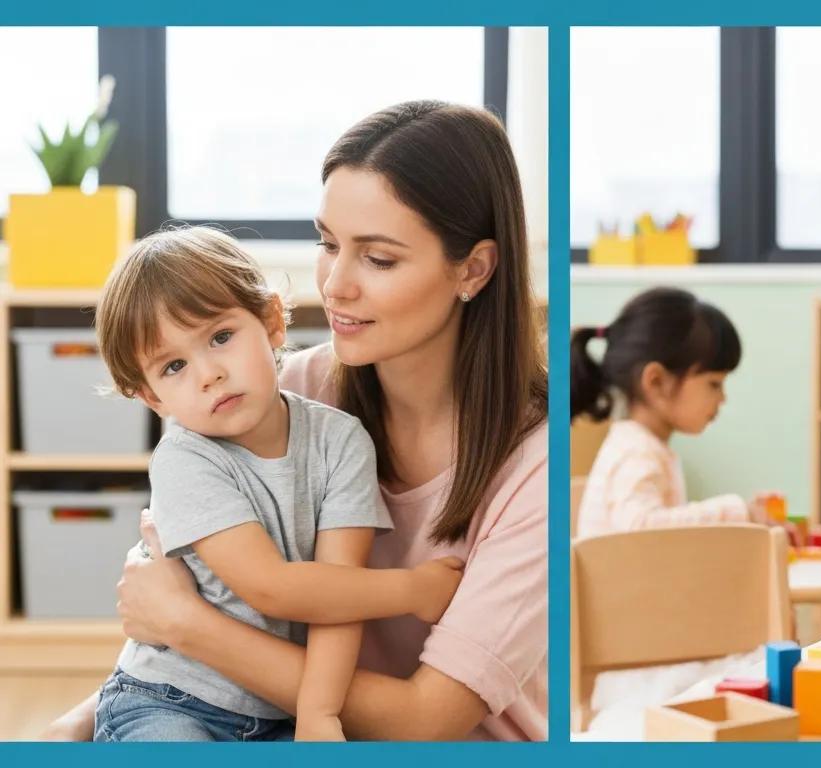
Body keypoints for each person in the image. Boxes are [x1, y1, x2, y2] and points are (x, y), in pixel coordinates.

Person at [44, 100, 548, 740]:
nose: (335, 285)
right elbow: (197, 611)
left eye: (379, 259)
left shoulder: (536, 465)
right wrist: (77, 723)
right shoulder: (280, 394)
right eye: (328, 244)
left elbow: (428, 720)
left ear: (473, 269)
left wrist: (185, 625)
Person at [91, 226, 463, 741]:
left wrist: (320, 712)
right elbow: (270, 588)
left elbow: (339, 595)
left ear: (270, 322)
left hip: (277, 710)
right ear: (152, 397)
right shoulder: (184, 460)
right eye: (173, 366)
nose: (208, 374)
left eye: (221, 337)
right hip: (167, 701)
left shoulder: (341, 440)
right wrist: (413, 590)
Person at [571, 287, 773, 538]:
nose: (722, 399)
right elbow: (640, 529)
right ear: (656, 382)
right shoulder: (636, 452)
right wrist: (735, 512)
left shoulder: (645, 447)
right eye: (714, 384)